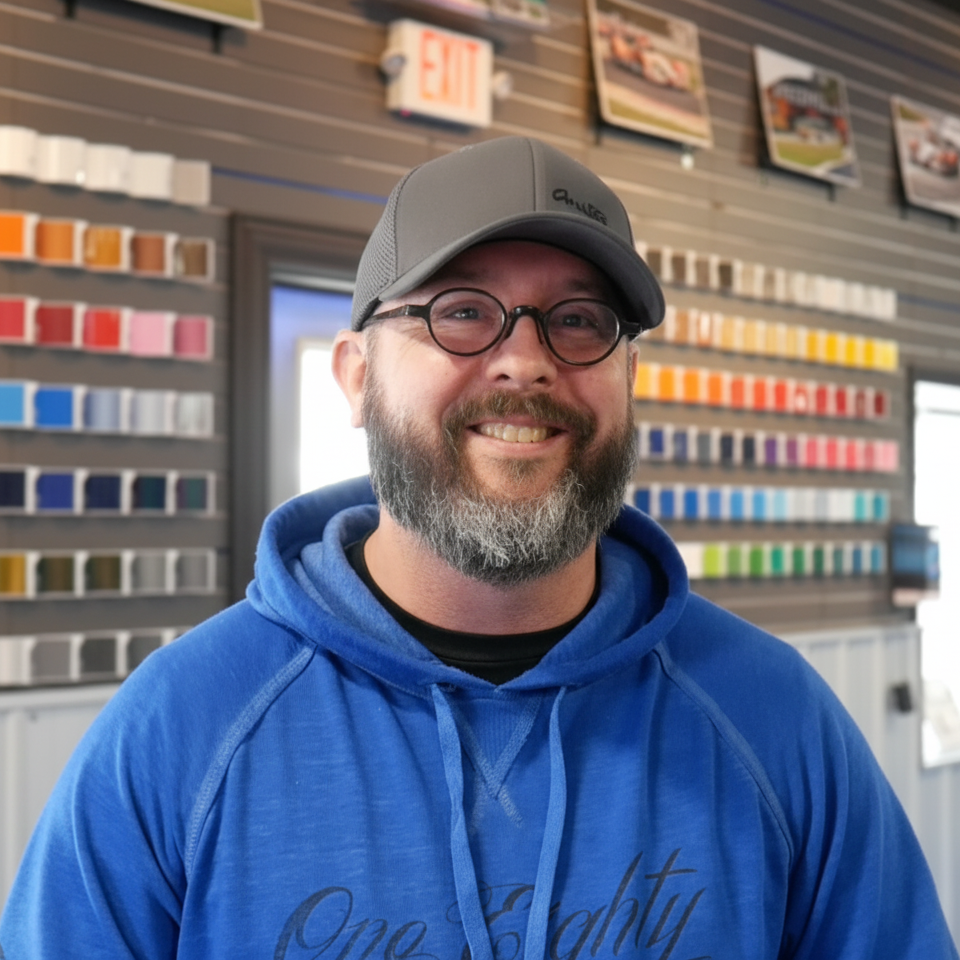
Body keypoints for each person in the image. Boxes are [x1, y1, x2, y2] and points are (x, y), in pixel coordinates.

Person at [1, 136, 956, 959]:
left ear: (630, 380)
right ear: (357, 376)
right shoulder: (182, 729)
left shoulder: (773, 717)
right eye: (461, 310)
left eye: (579, 320)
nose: (526, 358)